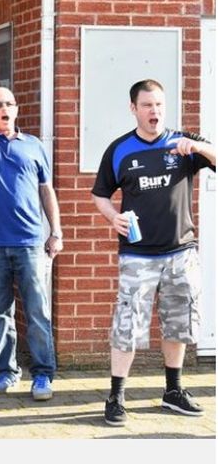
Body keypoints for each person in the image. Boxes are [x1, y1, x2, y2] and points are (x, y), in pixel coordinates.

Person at [92, 79, 215, 426]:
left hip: (181, 252)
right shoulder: (120, 150)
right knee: (127, 326)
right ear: (134, 109)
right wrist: (113, 216)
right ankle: (116, 397)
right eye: (147, 105)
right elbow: (100, 193)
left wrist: (199, 148)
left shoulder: (183, 144)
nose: (154, 111)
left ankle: (173, 392)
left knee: (178, 325)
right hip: (138, 256)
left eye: (159, 105)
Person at [0, 87, 62, 401]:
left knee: (37, 312)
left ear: (17, 108)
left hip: (31, 242)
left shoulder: (34, 145)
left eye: (9, 103)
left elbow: (46, 191)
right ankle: (7, 372)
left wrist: (56, 231)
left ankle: (43, 375)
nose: (4, 108)